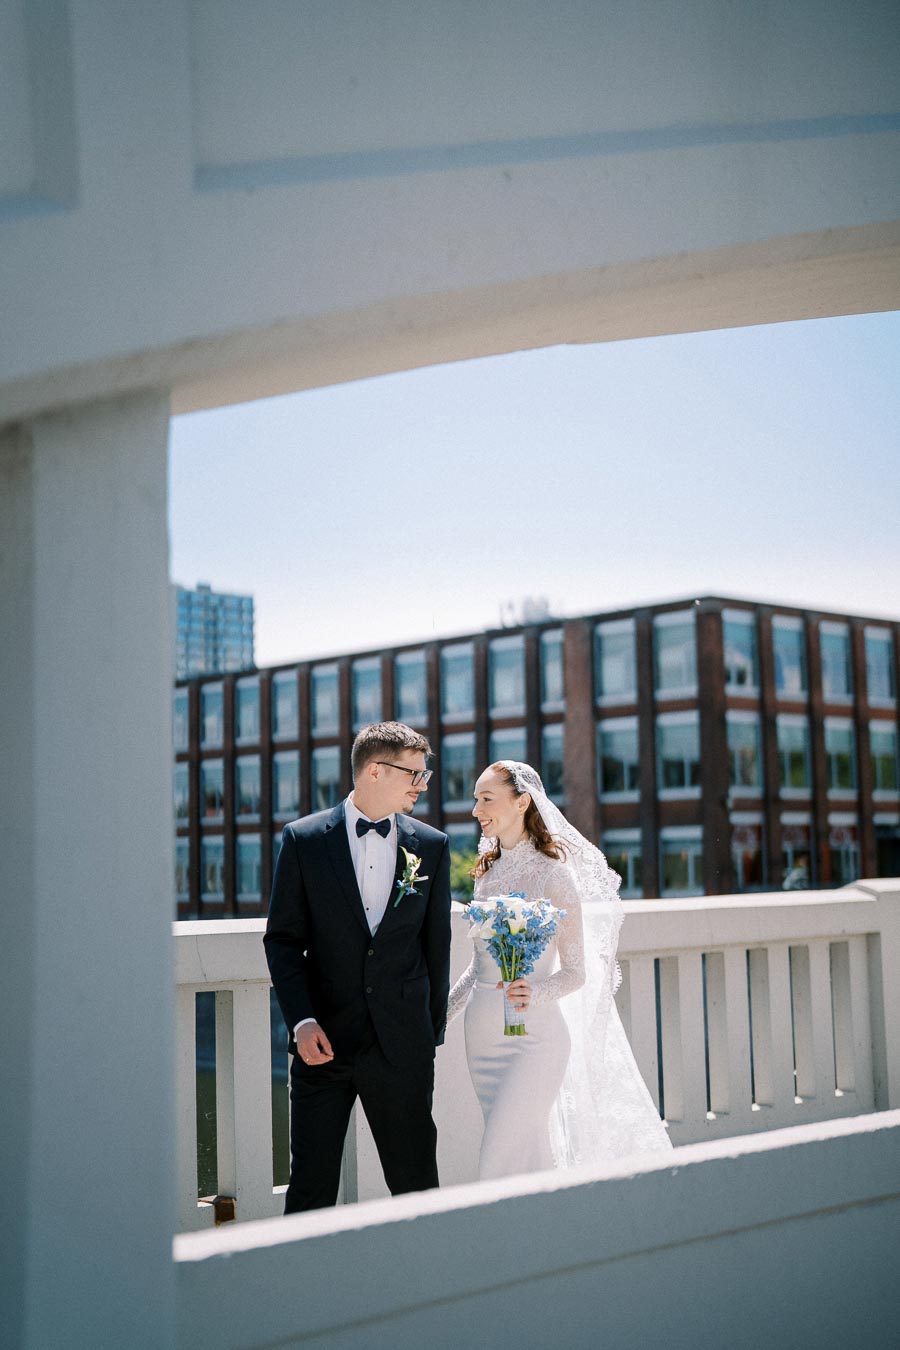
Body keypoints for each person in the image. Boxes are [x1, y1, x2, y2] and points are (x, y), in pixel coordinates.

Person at [448, 760, 671, 1180]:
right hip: (482, 1037)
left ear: (522, 802)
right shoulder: (485, 875)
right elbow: (479, 970)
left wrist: (534, 994)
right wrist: (439, 1016)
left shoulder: (554, 877)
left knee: (498, 1154)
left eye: (486, 798)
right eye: (476, 799)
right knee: (526, 1152)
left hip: (534, 1041)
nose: (476, 809)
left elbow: (575, 972)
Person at [265, 721, 452, 1212]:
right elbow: (283, 941)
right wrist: (302, 1023)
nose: (421, 784)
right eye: (414, 773)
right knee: (310, 1188)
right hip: (321, 1044)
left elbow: (437, 946)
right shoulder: (304, 840)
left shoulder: (431, 845)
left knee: (415, 1186)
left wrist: (425, 1036)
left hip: (402, 1047)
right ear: (374, 771)